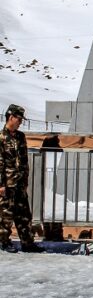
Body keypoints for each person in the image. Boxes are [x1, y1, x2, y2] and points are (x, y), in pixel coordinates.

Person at [0, 104, 44, 253]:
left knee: (24, 215)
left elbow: (24, 161)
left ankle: (28, 243)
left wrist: (25, 181)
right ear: (10, 117)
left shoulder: (20, 137)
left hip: (19, 184)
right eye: (19, 119)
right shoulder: (1, 137)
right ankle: (4, 242)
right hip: (7, 184)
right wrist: (1, 185)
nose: (20, 122)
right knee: (5, 216)